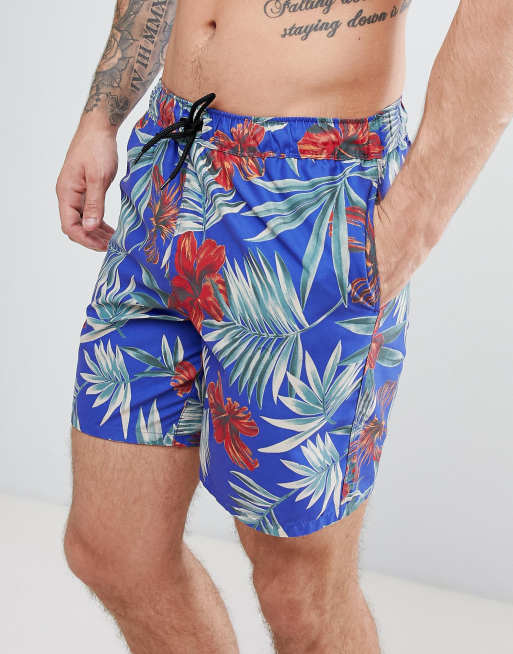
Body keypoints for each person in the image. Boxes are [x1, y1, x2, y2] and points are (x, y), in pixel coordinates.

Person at [56, 1, 513, 652]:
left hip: (312, 186)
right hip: (171, 154)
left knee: (299, 592)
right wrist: (102, 114)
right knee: (111, 550)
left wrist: (413, 222)